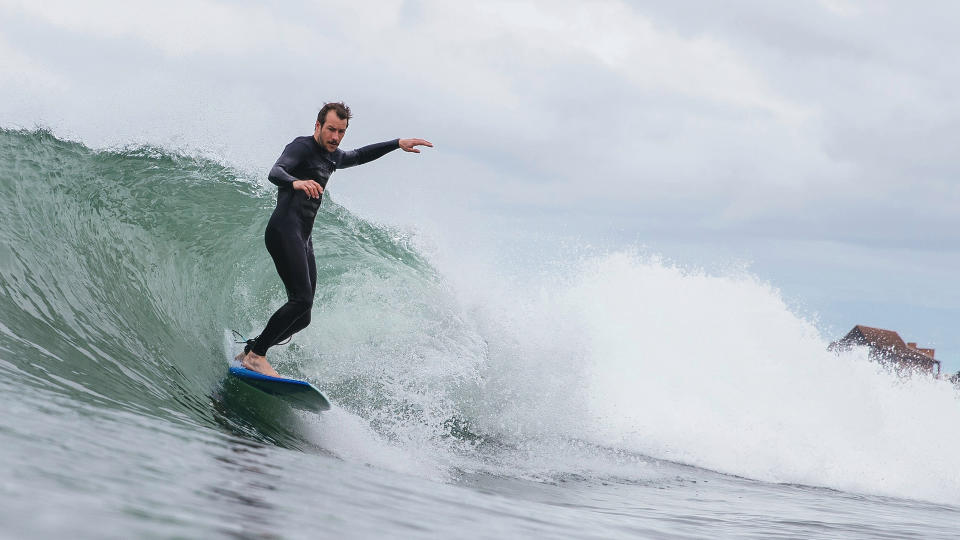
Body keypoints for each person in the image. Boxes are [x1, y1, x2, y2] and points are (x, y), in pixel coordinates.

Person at [237, 102, 432, 376]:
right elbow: (275, 171)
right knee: (301, 299)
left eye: (341, 132)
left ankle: (251, 349)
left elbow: (360, 155)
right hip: (283, 230)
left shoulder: (332, 157)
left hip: (303, 238)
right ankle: (256, 356)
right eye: (330, 129)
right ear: (318, 126)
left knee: (304, 316)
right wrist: (296, 182)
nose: (335, 137)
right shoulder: (301, 147)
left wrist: (397, 143)